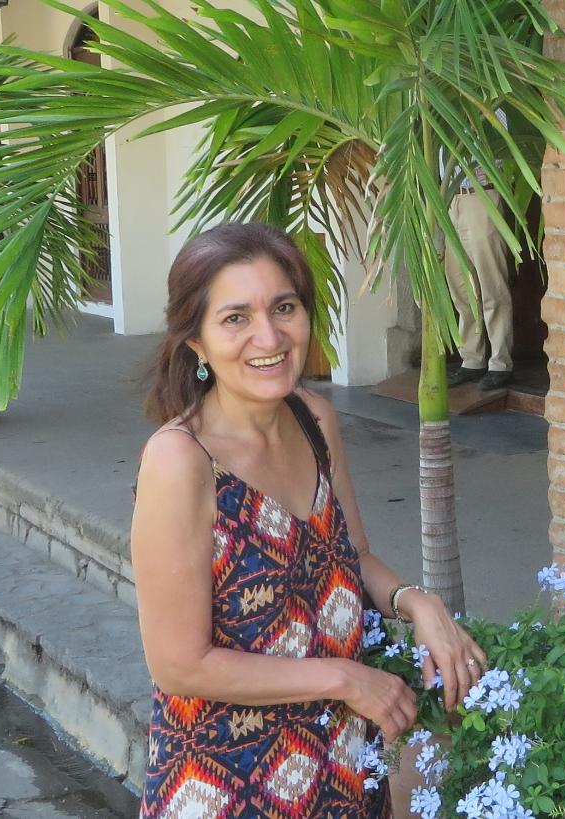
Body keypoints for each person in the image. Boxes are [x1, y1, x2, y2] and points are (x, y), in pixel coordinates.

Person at [131, 223, 486, 816]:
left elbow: (352, 557)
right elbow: (178, 664)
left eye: (284, 307)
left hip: (344, 763)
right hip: (231, 781)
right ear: (195, 342)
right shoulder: (181, 460)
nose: (268, 335)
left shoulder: (314, 420)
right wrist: (345, 680)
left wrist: (416, 603)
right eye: (235, 317)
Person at [444, 168, 515, 392]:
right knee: (461, 288)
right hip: (451, 199)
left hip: (482, 195)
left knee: (491, 285)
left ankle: (500, 363)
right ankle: (472, 359)